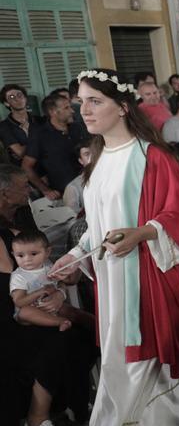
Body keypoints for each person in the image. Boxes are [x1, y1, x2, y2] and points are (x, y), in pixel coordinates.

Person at [49, 68, 179, 424]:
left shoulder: (152, 157)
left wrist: (141, 233)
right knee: (120, 345)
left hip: (147, 270)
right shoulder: (97, 160)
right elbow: (98, 224)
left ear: (123, 107)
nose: (84, 110)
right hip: (111, 275)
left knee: (144, 343)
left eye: (95, 101)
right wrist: (72, 255)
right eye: (80, 102)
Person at [0, 169, 96, 426]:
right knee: (59, 339)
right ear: (4, 194)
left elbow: (46, 271)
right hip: (10, 312)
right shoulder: (5, 237)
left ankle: (75, 402)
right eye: (23, 186)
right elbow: (13, 285)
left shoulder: (23, 220)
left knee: (83, 333)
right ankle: (38, 414)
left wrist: (58, 290)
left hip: (40, 301)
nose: (28, 191)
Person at [10, 230, 91, 331]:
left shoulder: (48, 266)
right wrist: (39, 292)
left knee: (73, 312)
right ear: (14, 255)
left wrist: (63, 278)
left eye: (33, 254)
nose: (27, 259)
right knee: (24, 312)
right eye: (20, 255)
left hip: (52, 305)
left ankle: (95, 323)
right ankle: (61, 322)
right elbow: (19, 302)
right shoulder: (19, 276)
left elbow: (63, 282)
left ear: (47, 252)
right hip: (33, 310)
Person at [22, 92, 88, 200]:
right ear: (52, 112)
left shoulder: (78, 128)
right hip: (64, 194)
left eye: (70, 106)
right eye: (66, 108)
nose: (72, 111)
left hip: (88, 187)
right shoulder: (40, 135)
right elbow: (26, 166)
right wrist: (45, 190)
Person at [0, 84, 44, 167]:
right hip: (24, 172)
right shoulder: (4, 126)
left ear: (25, 98)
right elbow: (20, 152)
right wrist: (41, 140)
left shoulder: (40, 120)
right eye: (12, 97)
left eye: (19, 95)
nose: (17, 99)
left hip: (46, 166)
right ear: (6, 103)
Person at [63, 141, 92, 216]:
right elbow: (72, 218)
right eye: (87, 154)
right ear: (81, 161)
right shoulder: (73, 187)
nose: (92, 156)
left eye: (95, 152)